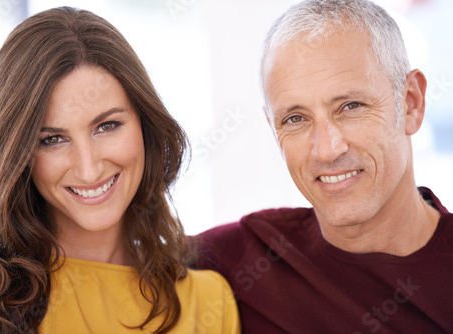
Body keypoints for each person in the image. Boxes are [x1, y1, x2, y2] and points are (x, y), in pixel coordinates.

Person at [0, 7, 239, 334]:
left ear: (145, 125)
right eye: (53, 139)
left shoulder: (207, 302)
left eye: (107, 126)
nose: (89, 170)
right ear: (15, 152)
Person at [194, 0, 453, 333]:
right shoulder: (245, 255)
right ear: (274, 131)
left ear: (411, 103)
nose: (327, 150)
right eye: (296, 119)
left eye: (350, 106)